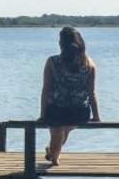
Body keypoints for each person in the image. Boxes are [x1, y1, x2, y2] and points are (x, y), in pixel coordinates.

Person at [39, 26, 100, 165]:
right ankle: (52, 153)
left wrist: (43, 115)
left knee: (57, 130)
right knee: (62, 131)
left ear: (61, 44)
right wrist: (96, 115)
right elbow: (92, 92)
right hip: (80, 111)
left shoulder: (52, 62)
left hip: (56, 109)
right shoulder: (89, 64)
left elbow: (46, 90)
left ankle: (54, 157)